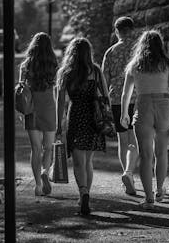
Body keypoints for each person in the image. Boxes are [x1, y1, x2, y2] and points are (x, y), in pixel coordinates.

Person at [120, 30, 169, 209]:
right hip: (164, 105)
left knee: (146, 156)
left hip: (143, 106)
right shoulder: (167, 64)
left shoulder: (134, 65)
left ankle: (148, 199)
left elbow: (126, 94)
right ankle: (160, 189)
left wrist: (124, 113)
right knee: (161, 153)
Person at [56, 37, 107, 215]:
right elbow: (105, 96)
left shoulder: (65, 72)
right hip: (93, 118)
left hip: (75, 116)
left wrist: (58, 126)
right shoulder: (95, 71)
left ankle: (83, 192)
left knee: (78, 162)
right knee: (88, 161)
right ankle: (86, 195)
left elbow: (61, 102)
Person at [101, 16, 139, 195]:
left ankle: (126, 178)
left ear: (116, 32)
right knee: (135, 140)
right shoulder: (139, 50)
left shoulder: (110, 52)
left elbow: (103, 80)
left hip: (116, 99)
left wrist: (104, 103)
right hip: (138, 98)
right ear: (132, 30)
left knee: (122, 140)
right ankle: (129, 172)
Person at [19, 32, 58, 196]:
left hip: (31, 108)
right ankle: (45, 170)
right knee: (48, 147)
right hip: (49, 107)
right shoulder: (54, 64)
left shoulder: (25, 65)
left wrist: (20, 112)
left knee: (35, 148)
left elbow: (20, 89)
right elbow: (56, 87)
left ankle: (37, 185)